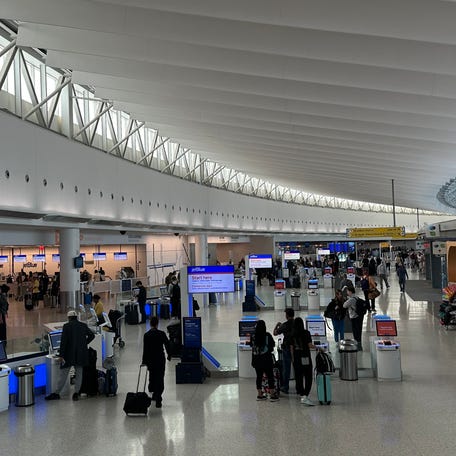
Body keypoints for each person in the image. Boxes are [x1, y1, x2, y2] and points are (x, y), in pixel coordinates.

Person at [45, 310, 95, 401]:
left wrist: (61, 355)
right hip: (80, 354)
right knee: (79, 374)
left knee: (63, 374)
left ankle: (56, 393)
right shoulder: (83, 325)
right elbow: (92, 335)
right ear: (76, 317)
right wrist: (84, 344)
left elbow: (64, 342)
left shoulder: (66, 326)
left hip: (68, 355)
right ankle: (76, 393)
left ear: (69, 318)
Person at [142, 316, 171, 408]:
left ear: (150, 323)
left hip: (151, 360)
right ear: (157, 323)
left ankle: (154, 393)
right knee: (160, 377)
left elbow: (145, 350)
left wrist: (144, 361)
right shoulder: (161, 334)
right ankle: (158, 396)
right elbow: (167, 345)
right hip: (160, 359)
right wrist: (169, 355)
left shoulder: (146, 335)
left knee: (153, 376)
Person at [250, 320, 278, 401]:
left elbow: (251, 345)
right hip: (266, 360)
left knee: (259, 377)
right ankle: (272, 395)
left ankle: (260, 395)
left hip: (256, 360)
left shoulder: (253, 336)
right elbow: (272, 345)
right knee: (270, 377)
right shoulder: (267, 335)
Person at [290, 317, 316, 405]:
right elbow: (309, 345)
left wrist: (293, 358)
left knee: (299, 377)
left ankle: (301, 394)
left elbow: (291, 348)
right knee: (308, 376)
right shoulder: (306, 333)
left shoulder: (292, 334)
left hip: (297, 358)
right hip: (305, 358)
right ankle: (305, 394)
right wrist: (319, 348)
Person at [273, 307, 294, 394]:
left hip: (287, 348)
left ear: (286, 315)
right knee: (298, 368)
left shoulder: (284, 325)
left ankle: (285, 387)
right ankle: (300, 387)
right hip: (296, 348)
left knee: (286, 368)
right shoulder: (297, 323)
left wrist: (277, 325)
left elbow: (275, 333)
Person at [343, 286, 364, 351]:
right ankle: (359, 344)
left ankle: (357, 345)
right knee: (359, 331)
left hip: (354, 317)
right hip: (360, 316)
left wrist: (347, 299)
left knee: (355, 332)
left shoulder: (351, 299)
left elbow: (344, 305)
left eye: (347, 291)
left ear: (350, 291)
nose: (347, 292)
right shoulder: (357, 297)